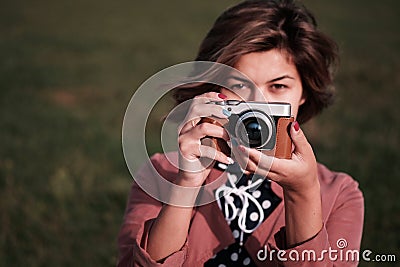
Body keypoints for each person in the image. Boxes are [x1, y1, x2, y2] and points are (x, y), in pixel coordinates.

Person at [117, 0, 364, 266]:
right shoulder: (161, 172)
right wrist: (185, 184)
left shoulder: (339, 194)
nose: (257, 104)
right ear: (213, 87)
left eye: (278, 86)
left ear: (304, 93)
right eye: (238, 85)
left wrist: (302, 193)